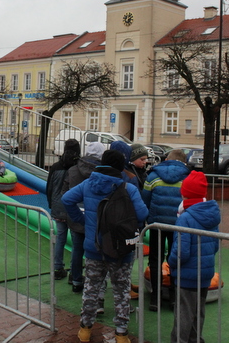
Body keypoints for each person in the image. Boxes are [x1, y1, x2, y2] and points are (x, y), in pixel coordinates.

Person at [62, 150, 149, 343]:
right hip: (120, 249)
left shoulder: (88, 184)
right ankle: (121, 333)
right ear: (120, 167)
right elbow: (143, 215)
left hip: (94, 247)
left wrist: (83, 221)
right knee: (121, 290)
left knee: (91, 288)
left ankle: (85, 329)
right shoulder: (128, 188)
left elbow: (67, 200)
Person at [169, 170, 220, 343]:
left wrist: (171, 263)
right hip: (205, 273)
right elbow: (215, 245)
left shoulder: (185, 218)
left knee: (183, 313)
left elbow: (181, 251)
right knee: (198, 312)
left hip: (187, 274)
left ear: (185, 193)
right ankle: (195, 339)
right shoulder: (212, 215)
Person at [142, 148, 190, 312]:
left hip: (157, 223)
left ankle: (155, 298)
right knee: (175, 259)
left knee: (155, 258)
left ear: (167, 159)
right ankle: (174, 298)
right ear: (183, 161)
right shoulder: (187, 176)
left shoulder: (153, 175)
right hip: (178, 224)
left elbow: (145, 199)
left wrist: (148, 218)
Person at [65, 142, 105, 294]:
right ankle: (94, 282)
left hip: (77, 214)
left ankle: (76, 280)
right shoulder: (102, 173)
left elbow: (66, 193)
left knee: (77, 249)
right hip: (95, 217)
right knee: (96, 251)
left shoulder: (73, 170)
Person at [46, 138, 81, 280]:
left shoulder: (55, 167)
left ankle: (57, 267)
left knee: (60, 238)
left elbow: (49, 188)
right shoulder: (78, 167)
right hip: (73, 208)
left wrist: (51, 204)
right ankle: (74, 272)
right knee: (75, 241)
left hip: (58, 206)